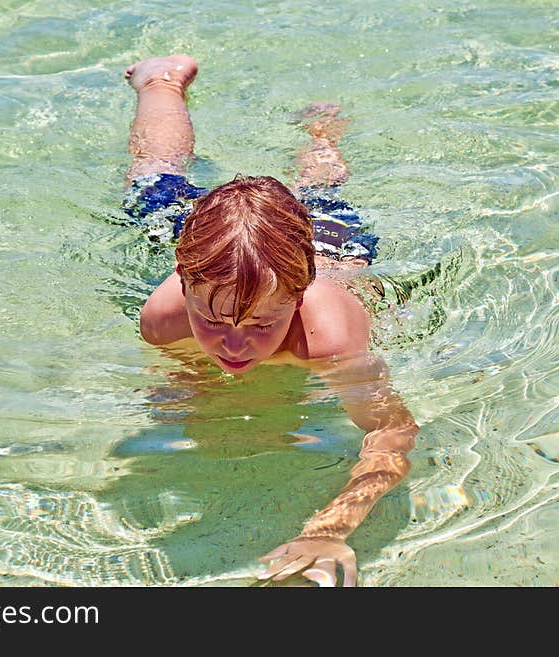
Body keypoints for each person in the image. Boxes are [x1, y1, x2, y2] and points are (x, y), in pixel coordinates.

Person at [122, 54, 419, 587]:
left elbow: (393, 430)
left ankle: (322, 129)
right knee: (153, 180)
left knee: (323, 191)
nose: (235, 344)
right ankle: (158, 81)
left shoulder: (328, 340)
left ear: (300, 296)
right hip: (217, 250)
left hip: (329, 246)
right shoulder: (164, 319)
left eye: (263, 325)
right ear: (183, 283)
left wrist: (331, 529)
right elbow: (181, 377)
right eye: (212, 320)